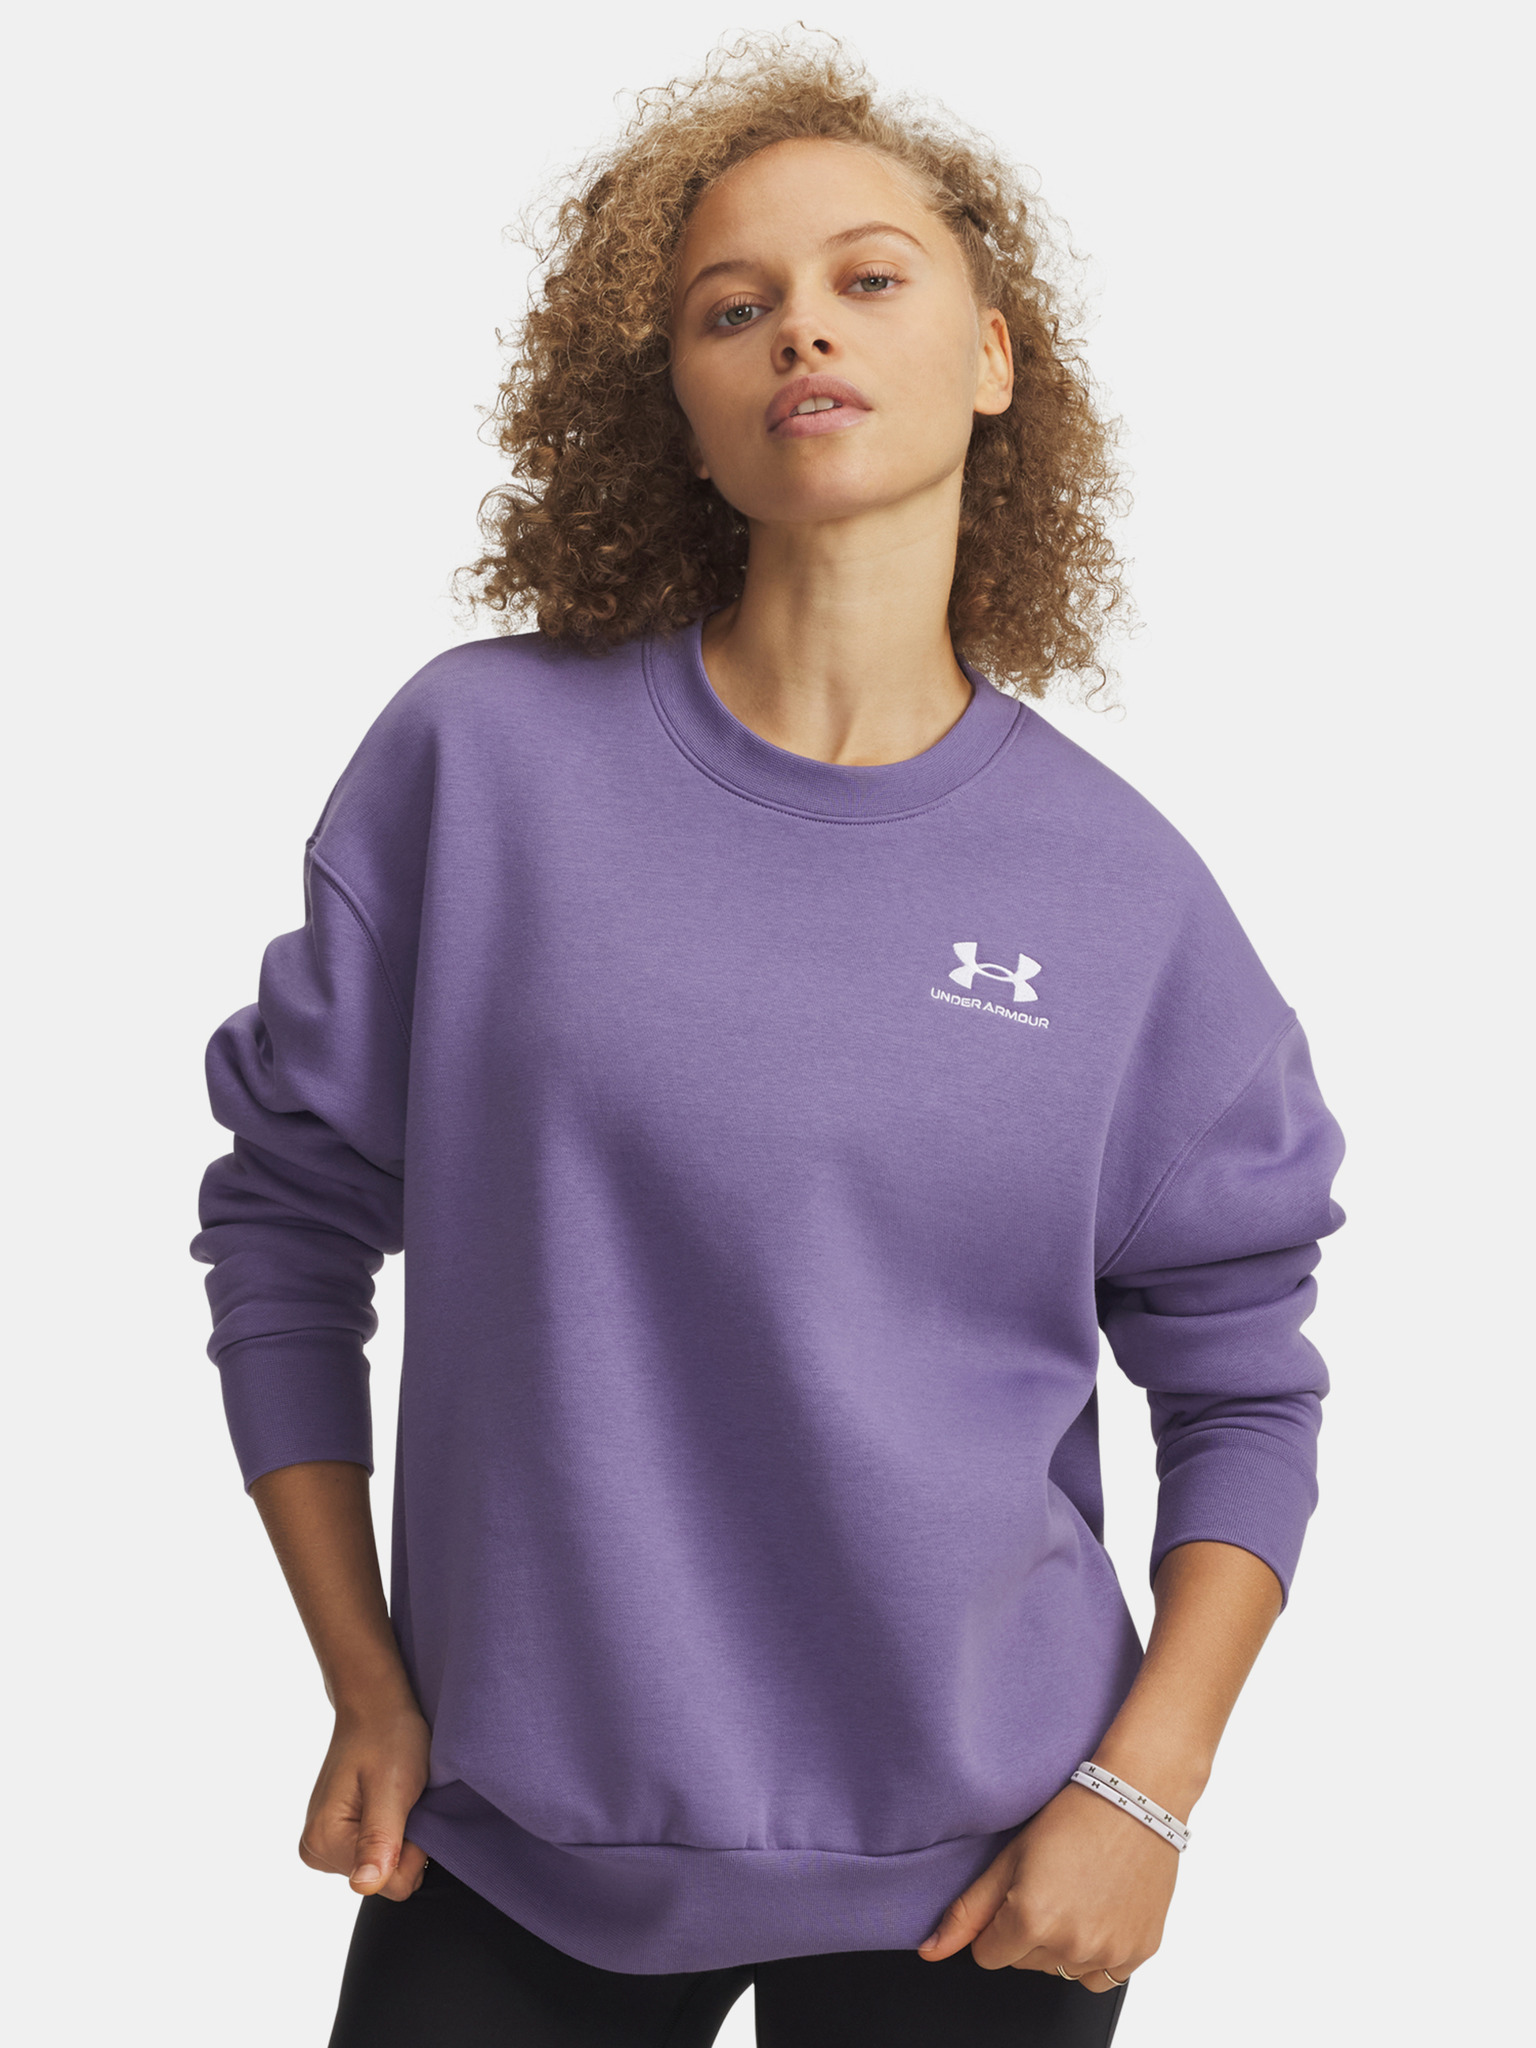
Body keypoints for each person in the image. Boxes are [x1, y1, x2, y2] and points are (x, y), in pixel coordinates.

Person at [190, 32, 1345, 2048]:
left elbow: (1243, 1377)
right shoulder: (479, 769)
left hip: (987, 1871)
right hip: (512, 1842)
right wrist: (363, 1680)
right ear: (685, 415)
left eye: (867, 278)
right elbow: (285, 1227)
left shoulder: (1124, 896)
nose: (802, 324)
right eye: (734, 308)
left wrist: (1144, 1792)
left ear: (995, 359)